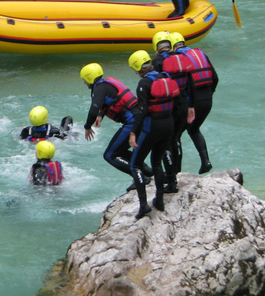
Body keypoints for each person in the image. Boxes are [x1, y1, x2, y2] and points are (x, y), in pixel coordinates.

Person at [127, 50, 184, 219]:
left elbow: (142, 111)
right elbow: (179, 103)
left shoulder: (144, 84)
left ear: (138, 68)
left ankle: (143, 205)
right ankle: (159, 199)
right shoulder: (166, 77)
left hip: (153, 126)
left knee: (135, 165)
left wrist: (133, 133)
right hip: (169, 124)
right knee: (157, 162)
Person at [80, 63, 153, 191]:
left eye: (85, 80)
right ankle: (146, 170)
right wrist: (101, 115)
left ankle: (139, 176)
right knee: (120, 150)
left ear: (90, 78)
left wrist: (87, 126)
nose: (84, 83)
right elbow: (112, 100)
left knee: (110, 155)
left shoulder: (99, 89)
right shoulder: (106, 84)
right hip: (140, 119)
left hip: (132, 122)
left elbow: (93, 109)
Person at [165, 32, 218, 174]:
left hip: (192, 102)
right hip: (207, 99)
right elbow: (215, 78)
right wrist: (208, 94)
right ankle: (206, 161)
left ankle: (176, 172)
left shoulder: (178, 58)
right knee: (194, 129)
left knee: (175, 136)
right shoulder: (200, 54)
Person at [151, 31, 189, 173]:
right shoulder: (181, 57)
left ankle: (170, 174)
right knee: (176, 139)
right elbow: (189, 82)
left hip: (170, 107)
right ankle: (178, 171)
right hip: (184, 103)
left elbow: (156, 85)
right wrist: (191, 106)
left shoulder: (157, 61)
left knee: (165, 142)